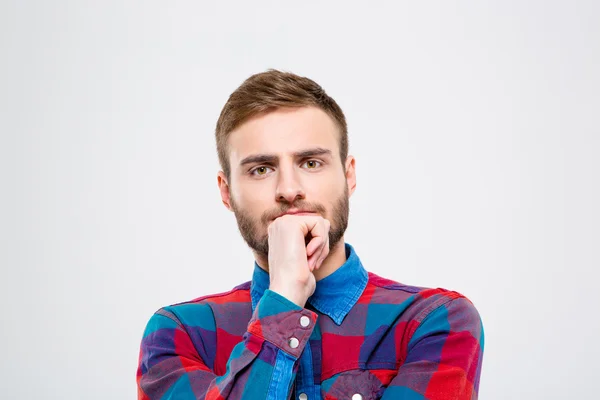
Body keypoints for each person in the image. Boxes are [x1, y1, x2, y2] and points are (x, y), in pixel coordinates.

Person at [136, 70, 484, 400]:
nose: (289, 189)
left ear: (348, 177)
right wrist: (284, 297)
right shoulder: (180, 334)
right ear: (226, 192)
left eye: (311, 163)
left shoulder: (434, 320)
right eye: (261, 169)